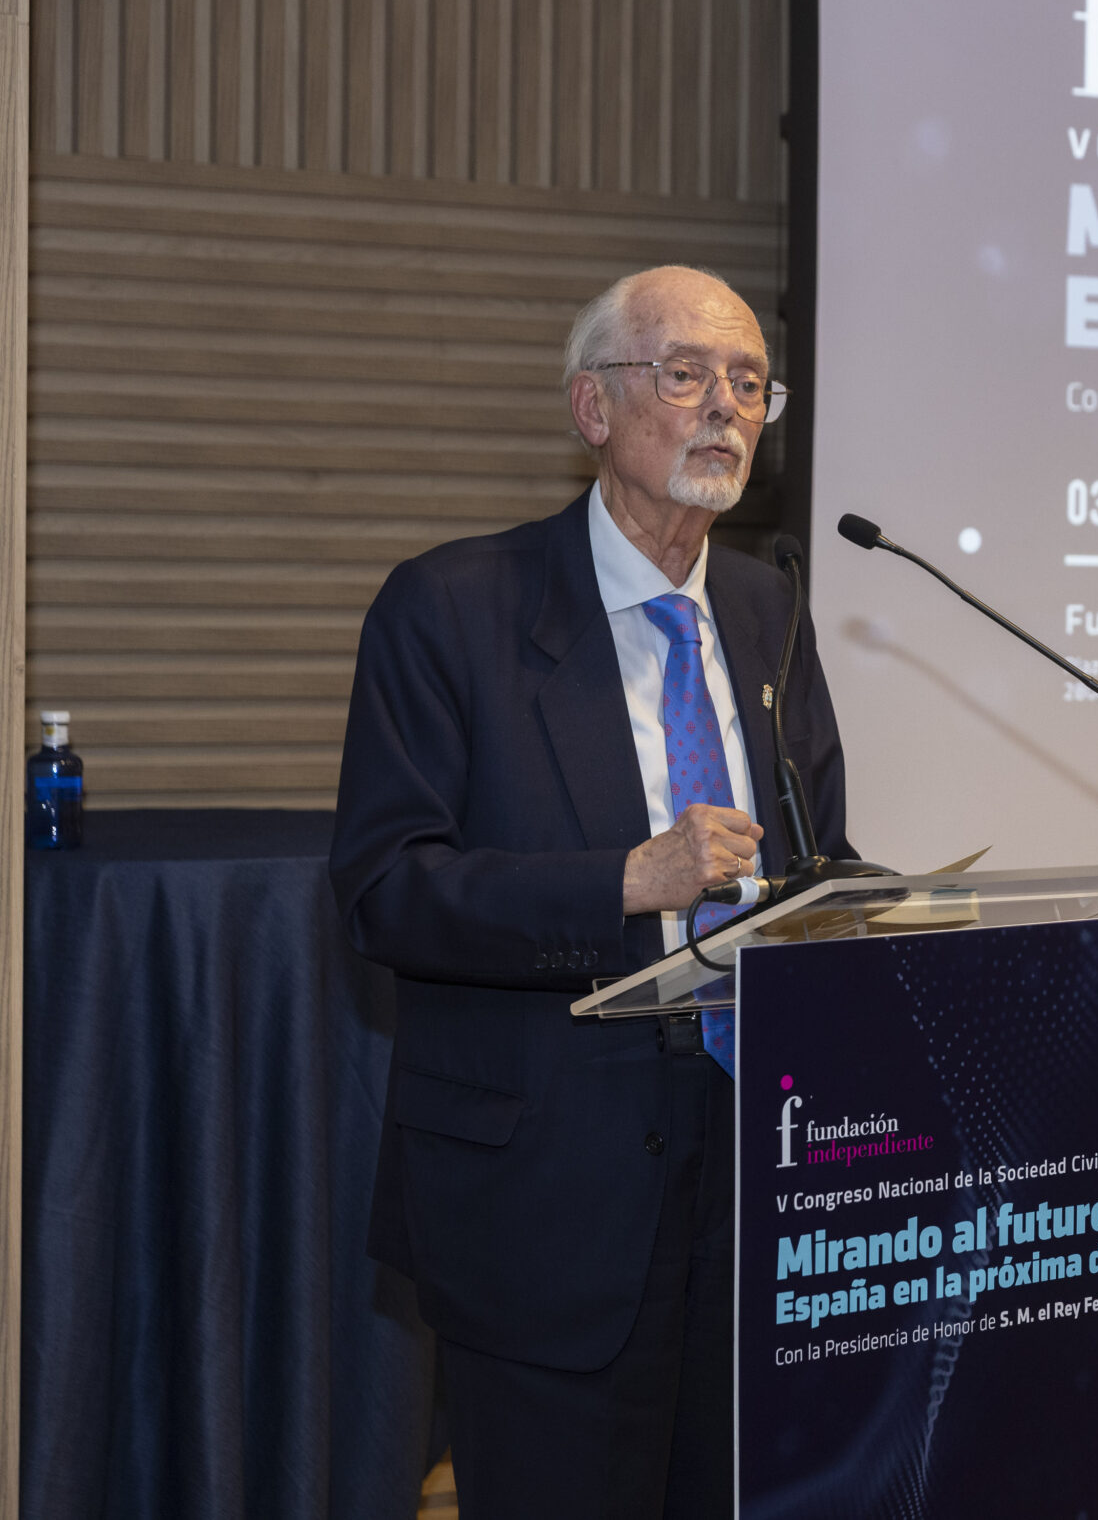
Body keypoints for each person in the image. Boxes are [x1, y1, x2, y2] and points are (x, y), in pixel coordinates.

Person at [331, 265, 859, 1516]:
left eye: (750, 383)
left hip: (753, 1170)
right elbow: (385, 889)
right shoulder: (450, 608)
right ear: (593, 409)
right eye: (686, 374)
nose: (725, 407)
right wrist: (627, 879)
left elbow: (818, 852)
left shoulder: (767, 604)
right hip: (546, 1193)